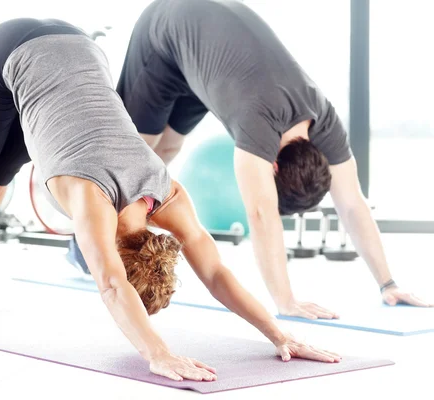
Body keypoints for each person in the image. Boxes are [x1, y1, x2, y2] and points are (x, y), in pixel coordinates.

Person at [0, 18, 341, 382]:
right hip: (13, 50)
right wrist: (157, 353)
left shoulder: (166, 192)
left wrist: (281, 335)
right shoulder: (90, 199)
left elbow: (215, 273)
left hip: (79, 52)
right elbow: (112, 284)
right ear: (119, 252)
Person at [83, 0, 431, 320]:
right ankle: (84, 241)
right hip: (167, 28)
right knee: (130, 159)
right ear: (273, 166)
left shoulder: (324, 123)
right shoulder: (258, 124)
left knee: (165, 154)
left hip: (202, 58)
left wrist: (388, 283)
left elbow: (353, 204)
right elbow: (262, 214)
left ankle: (111, 230)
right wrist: (286, 302)